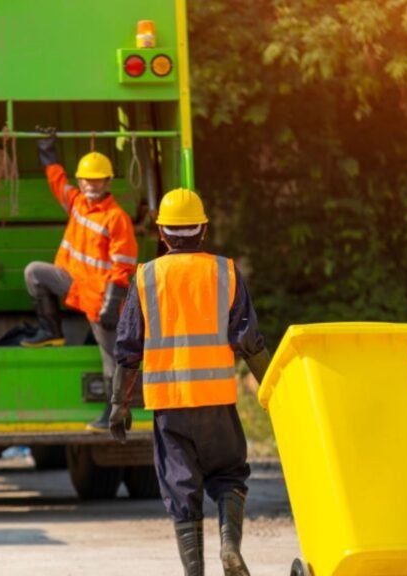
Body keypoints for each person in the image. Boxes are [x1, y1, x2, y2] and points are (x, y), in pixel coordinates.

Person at [108, 188, 271, 576]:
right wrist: (272, 390)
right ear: (202, 230)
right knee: (229, 474)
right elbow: (248, 340)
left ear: (162, 234)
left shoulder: (147, 277)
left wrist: (118, 403)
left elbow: (128, 348)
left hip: (170, 406)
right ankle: (229, 546)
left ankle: (194, 572)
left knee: (181, 489)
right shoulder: (224, 271)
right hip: (217, 401)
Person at [20, 126, 139, 431]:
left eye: (97, 179)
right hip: (71, 281)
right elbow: (56, 181)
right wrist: (47, 151)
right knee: (34, 271)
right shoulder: (76, 203)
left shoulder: (116, 218)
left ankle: (116, 416)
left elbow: (124, 265)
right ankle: (51, 331)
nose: (90, 184)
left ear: (108, 182)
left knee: (111, 356)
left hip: (100, 297)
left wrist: (113, 303)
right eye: (86, 178)